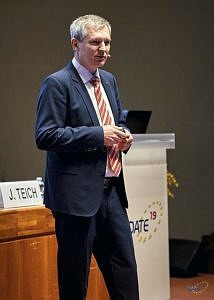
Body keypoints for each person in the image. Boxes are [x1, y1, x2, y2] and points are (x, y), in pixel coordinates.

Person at [35, 14, 139, 300]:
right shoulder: (57, 84)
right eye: (95, 42)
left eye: (107, 42)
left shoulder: (109, 80)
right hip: (75, 199)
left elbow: (114, 122)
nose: (103, 48)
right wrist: (98, 135)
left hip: (112, 194)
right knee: (74, 281)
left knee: (126, 276)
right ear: (75, 44)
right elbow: (46, 135)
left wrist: (124, 136)